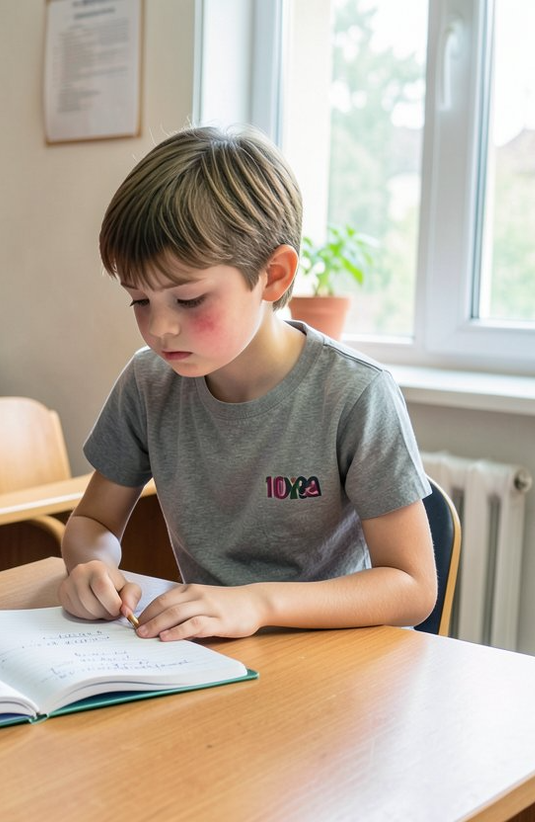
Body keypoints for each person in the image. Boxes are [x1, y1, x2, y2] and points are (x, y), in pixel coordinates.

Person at [58, 125, 437, 642]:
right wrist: (92, 567)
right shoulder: (149, 382)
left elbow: (412, 587)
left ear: (274, 276)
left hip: (334, 663)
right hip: (209, 659)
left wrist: (258, 602)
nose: (160, 327)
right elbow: (93, 523)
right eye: (139, 301)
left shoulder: (353, 394)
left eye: (189, 300)